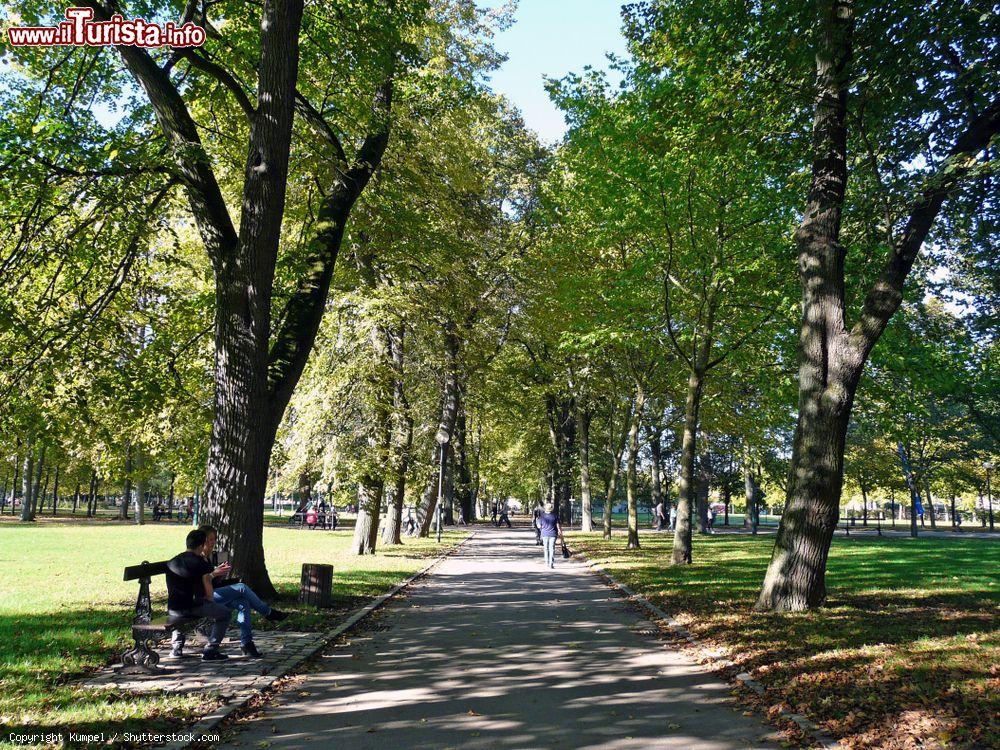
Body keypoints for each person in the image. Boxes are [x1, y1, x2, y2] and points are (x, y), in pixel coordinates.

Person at [197, 525, 288, 658]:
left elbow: (213, 581)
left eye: (214, 539)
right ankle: (268, 612)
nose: (212, 543)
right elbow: (200, 583)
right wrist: (214, 574)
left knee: (243, 603)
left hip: (215, 593)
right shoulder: (197, 558)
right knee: (241, 587)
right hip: (206, 597)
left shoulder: (209, 557)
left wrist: (220, 573)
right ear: (201, 541)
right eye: (210, 540)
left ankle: (246, 644)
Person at [165, 528, 234, 661]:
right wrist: (210, 598)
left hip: (173, 608)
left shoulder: (173, 561)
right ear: (202, 545)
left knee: (180, 615)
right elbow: (208, 580)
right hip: (193, 607)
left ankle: (176, 649)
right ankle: (211, 650)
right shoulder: (200, 562)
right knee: (225, 614)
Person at [538, 502, 564, 569]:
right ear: (551, 508)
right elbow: (558, 525)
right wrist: (561, 533)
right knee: (552, 549)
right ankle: (551, 563)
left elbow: (539, 526)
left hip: (545, 534)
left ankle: (547, 563)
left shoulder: (542, 516)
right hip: (553, 534)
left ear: (545, 508)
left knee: (546, 549)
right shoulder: (555, 515)